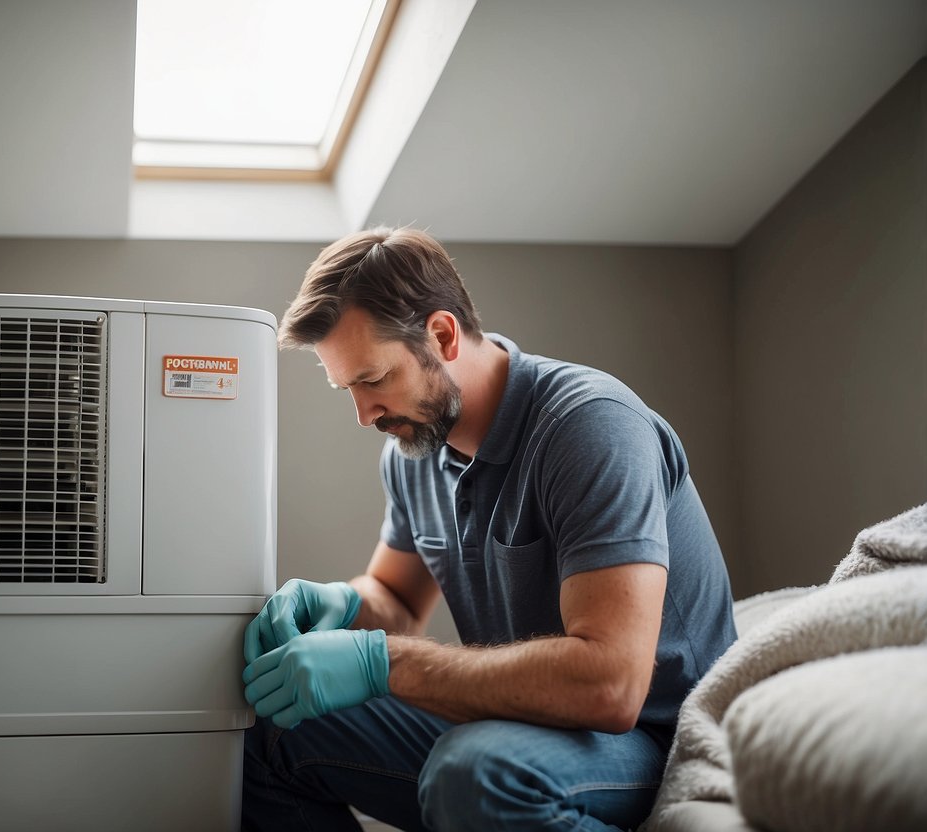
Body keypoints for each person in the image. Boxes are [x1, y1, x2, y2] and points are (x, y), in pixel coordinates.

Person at [241, 227, 736, 832]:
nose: (363, 414)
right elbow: (395, 597)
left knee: (473, 773)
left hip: (647, 736)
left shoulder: (590, 427)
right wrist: (340, 606)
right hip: (519, 723)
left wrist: (380, 662)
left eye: (372, 380)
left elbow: (612, 684)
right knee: (265, 723)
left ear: (442, 335)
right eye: (348, 389)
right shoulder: (413, 455)